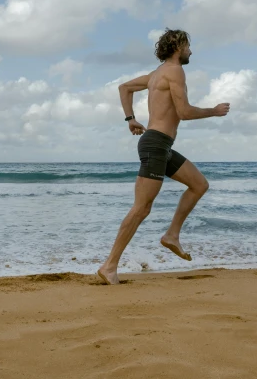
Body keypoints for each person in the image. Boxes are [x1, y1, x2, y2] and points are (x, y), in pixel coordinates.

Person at [97, 29, 230, 285]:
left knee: (199, 184)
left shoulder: (155, 75)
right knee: (141, 208)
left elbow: (124, 88)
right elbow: (184, 111)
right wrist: (213, 111)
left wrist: (130, 118)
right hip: (156, 144)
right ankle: (110, 266)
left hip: (161, 144)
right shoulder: (175, 71)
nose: (191, 51)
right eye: (189, 46)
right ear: (178, 46)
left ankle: (172, 235)